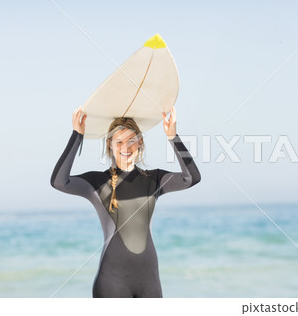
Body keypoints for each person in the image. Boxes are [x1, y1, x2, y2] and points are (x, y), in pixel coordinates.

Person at [50, 106, 201, 298]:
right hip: (111, 284)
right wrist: (77, 135)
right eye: (119, 142)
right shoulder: (96, 182)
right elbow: (59, 182)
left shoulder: (155, 179)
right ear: (110, 145)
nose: (125, 147)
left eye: (132, 141)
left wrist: (173, 137)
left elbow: (192, 178)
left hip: (150, 283)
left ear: (140, 144)